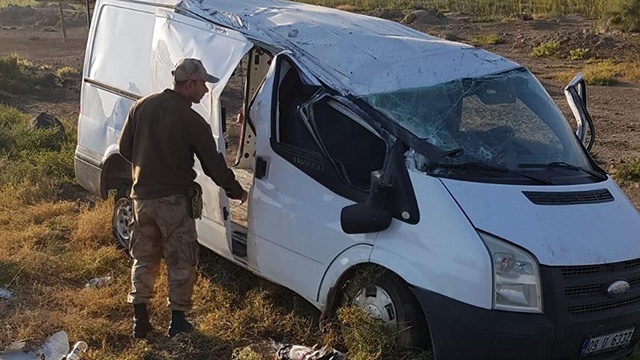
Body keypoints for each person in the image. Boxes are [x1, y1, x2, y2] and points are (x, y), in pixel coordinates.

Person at [118, 58, 248, 339]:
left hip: (141, 199)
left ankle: (140, 321)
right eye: (202, 85)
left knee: (144, 258)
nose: (205, 91)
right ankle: (177, 322)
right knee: (181, 260)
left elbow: (124, 148)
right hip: (174, 203)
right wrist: (236, 191)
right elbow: (214, 167)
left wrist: (148, 166)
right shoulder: (191, 120)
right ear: (189, 84)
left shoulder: (142, 106)